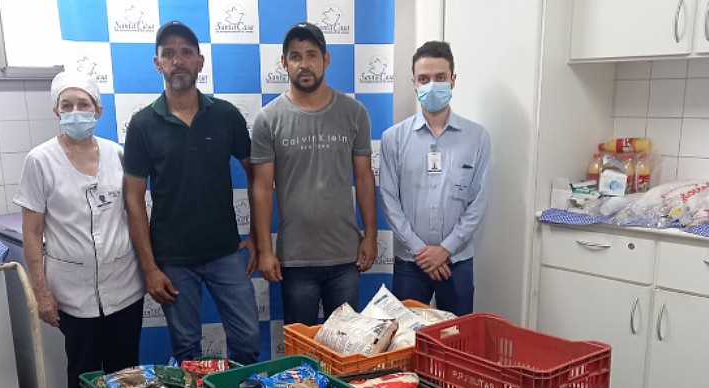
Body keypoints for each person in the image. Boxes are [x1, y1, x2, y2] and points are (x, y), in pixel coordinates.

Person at [123, 21, 260, 365]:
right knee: (187, 353)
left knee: (247, 341)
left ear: (200, 61)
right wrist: (150, 267)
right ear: (157, 63)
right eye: (168, 53)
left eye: (186, 52)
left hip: (226, 252)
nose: (177, 60)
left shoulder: (226, 115)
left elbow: (257, 176)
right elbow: (133, 200)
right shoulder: (142, 125)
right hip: (172, 260)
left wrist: (258, 236)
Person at [14, 71, 145, 388]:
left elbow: (137, 214)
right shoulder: (40, 161)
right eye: (67, 105)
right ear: (57, 111)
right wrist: (42, 293)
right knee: (83, 375)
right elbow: (32, 232)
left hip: (125, 288)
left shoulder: (118, 154)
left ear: (98, 111)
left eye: (83, 104)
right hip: (73, 294)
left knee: (127, 375)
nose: (75, 111)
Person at [251, 22, 377, 325]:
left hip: (345, 257)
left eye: (311, 55)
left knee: (345, 348)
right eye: (295, 56)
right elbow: (262, 187)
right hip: (295, 260)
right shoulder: (268, 119)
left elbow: (363, 177)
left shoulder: (353, 112)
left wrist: (370, 236)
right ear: (284, 63)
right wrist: (265, 250)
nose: (304, 64)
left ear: (326, 59)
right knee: (299, 359)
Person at [379, 41, 491, 316]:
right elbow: (389, 200)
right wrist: (422, 251)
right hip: (410, 263)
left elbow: (478, 201)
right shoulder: (393, 138)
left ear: (453, 80)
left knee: (458, 343)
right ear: (414, 83)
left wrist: (445, 250)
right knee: (406, 345)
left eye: (440, 78)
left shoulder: (477, 137)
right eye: (424, 79)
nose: (432, 85)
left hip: (458, 261)